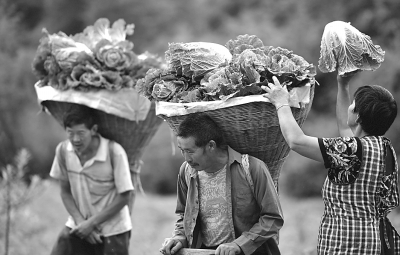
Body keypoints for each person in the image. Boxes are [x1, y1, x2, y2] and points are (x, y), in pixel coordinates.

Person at [263, 72, 399, 254]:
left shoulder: (351, 150)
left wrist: (281, 103)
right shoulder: (383, 149)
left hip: (345, 244)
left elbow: (296, 141)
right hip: (370, 241)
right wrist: (342, 85)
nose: (350, 107)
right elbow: (344, 126)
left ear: (358, 117)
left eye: (353, 105)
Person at [160, 113, 284, 255]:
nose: (186, 158)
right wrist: (179, 237)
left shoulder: (251, 168)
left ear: (211, 146)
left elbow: (272, 218)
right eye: (182, 150)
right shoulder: (187, 172)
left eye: (190, 151)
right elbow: (183, 216)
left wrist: (239, 244)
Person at [49, 104, 134, 255]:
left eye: (81, 133)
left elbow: (124, 197)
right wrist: (82, 223)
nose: (75, 139)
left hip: (113, 230)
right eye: (70, 133)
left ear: (93, 130)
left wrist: (91, 224)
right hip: (79, 224)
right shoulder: (63, 151)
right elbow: (65, 192)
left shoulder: (113, 152)